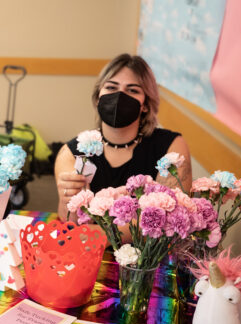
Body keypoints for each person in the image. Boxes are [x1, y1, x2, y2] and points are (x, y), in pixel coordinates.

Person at [55, 53, 191, 221]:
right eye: (111, 87)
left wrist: (98, 235)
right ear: (98, 97)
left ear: (146, 105)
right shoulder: (72, 152)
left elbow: (169, 220)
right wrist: (66, 199)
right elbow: (71, 221)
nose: (119, 96)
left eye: (132, 90)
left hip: (148, 247)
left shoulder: (171, 148)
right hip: (91, 245)